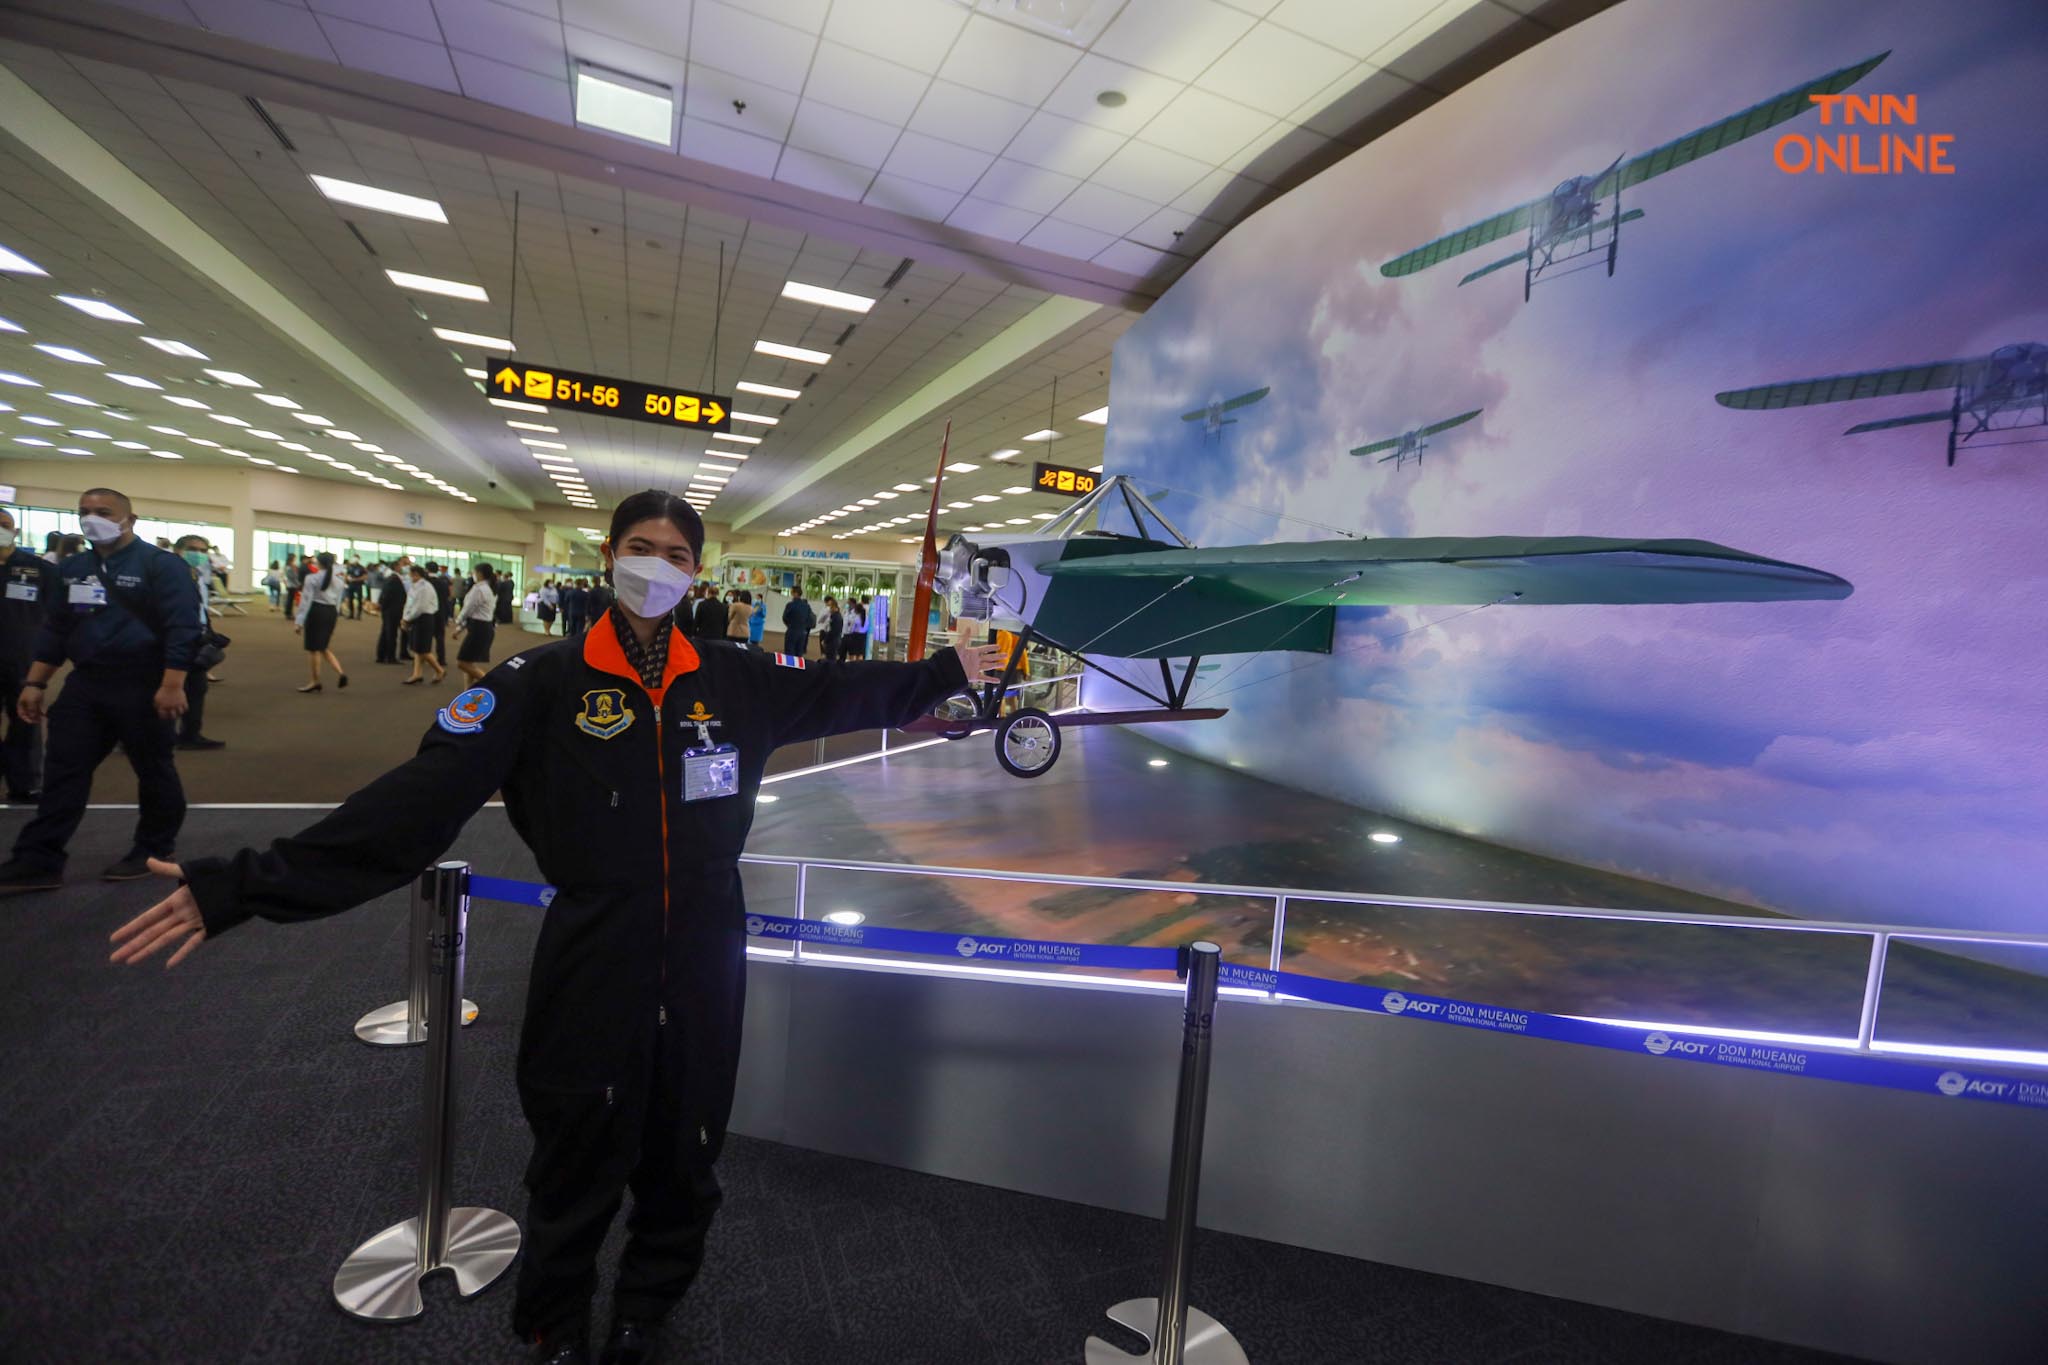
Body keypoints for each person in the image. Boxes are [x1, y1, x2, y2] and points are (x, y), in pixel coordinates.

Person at [109, 488, 1005, 1364]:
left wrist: (950, 672)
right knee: (576, 1148)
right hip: (594, 947)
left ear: (698, 573)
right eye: (641, 547)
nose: (657, 566)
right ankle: (554, 1322)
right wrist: (246, 885)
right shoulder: (540, 681)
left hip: (704, 950)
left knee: (688, 1147)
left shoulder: (736, 677)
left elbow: (853, 691)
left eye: (678, 554)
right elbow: (421, 800)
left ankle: (645, 1311)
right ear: (610, 554)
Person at [0, 487, 199, 893]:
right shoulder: (73, 568)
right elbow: (58, 628)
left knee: (154, 769)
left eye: (103, 511)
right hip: (87, 684)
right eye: (84, 512)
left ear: (130, 519)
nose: (92, 518)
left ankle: (154, 849)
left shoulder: (161, 566)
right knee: (63, 770)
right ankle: (38, 860)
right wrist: (36, 682)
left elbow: (184, 628)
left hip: (146, 683)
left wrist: (172, 684)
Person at [0, 508, 58, 801]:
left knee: (25, 721)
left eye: (4, 525)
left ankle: (24, 784)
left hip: (24, 659)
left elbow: (58, 613)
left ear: (16, 532)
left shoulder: (39, 570)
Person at [172, 536, 225, 752]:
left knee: (196, 688)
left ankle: (190, 735)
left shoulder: (198, 575)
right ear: (179, 551)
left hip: (197, 637)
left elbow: (201, 605)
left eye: (203, 550)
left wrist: (208, 630)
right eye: (193, 549)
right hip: (175, 638)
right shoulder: (169, 575)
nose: (199, 554)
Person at [293, 551, 348, 693]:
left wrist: (299, 621)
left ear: (319, 563)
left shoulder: (312, 578)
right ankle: (341, 673)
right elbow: (338, 602)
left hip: (316, 612)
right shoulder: (339, 581)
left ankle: (315, 681)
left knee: (313, 649)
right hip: (331, 613)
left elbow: (306, 601)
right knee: (323, 646)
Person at [454, 562, 499, 685]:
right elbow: (475, 612)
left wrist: (458, 621)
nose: (473, 575)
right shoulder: (490, 588)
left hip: (479, 628)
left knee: (462, 662)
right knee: (469, 663)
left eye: (474, 572)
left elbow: (468, 609)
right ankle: (468, 693)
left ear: (479, 573)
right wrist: (461, 628)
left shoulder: (479, 589)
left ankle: (492, 684)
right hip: (483, 627)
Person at [399, 563, 445, 686]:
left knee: (423, 650)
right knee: (417, 649)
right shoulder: (415, 586)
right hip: (416, 618)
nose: (409, 577)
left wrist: (407, 619)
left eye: (411, 575)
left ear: (416, 575)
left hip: (424, 619)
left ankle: (440, 670)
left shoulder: (425, 587)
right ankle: (417, 674)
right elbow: (409, 603)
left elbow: (420, 607)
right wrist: (405, 618)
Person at [375, 556, 411, 664]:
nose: (402, 567)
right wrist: (384, 607)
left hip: (390, 610)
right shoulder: (394, 579)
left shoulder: (392, 578)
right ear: (396, 567)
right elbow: (386, 596)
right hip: (392, 611)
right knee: (391, 634)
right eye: (401, 565)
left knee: (386, 633)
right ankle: (390, 657)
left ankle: (381, 656)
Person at [429, 563, 454, 668]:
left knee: (426, 637)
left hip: (428, 613)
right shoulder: (443, 583)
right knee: (440, 637)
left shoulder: (425, 582)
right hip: (440, 613)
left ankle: (424, 658)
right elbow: (447, 598)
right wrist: (448, 615)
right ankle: (441, 659)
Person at [781, 585, 813, 659]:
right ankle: (798, 670)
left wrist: (789, 625)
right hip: (802, 632)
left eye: (791, 592)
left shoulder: (790, 605)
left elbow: (785, 618)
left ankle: (789, 669)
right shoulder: (806, 606)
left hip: (792, 630)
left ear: (795, 593)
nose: (791, 593)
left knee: (789, 653)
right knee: (799, 653)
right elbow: (809, 619)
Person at [840, 596, 868, 662]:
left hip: (855, 636)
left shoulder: (856, 618)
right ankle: (859, 667)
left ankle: (853, 666)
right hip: (863, 636)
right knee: (860, 653)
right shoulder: (865, 617)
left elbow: (852, 628)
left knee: (853, 654)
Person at [819, 595, 844, 663]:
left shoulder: (836, 617)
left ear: (834, 607)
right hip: (834, 640)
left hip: (833, 641)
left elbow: (833, 631)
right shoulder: (836, 616)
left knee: (831, 659)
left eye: (830, 607)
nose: (829, 609)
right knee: (829, 657)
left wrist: (826, 640)